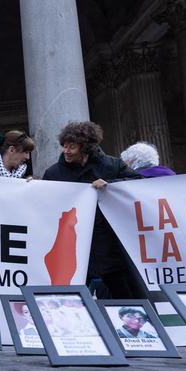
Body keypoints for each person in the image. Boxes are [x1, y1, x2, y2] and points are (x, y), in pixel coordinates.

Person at [42, 121, 144, 299]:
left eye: (71, 147)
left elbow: (140, 183)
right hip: (72, 245)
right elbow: (42, 201)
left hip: (109, 244)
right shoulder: (53, 173)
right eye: (64, 146)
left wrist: (111, 185)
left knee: (126, 296)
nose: (66, 151)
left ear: (86, 147)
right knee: (69, 299)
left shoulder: (112, 165)